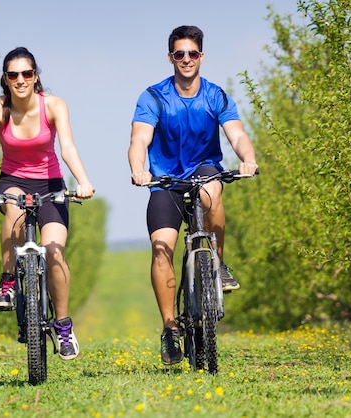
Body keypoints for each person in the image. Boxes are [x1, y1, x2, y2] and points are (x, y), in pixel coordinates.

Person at [128, 26, 258, 366]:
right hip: (165, 181)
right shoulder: (154, 97)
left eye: (193, 53)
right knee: (161, 250)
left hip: (203, 169)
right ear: (170, 57)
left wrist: (248, 159)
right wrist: (139, 169)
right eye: (179, 54)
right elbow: (139, 140)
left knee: (211, 190)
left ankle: (217, 263)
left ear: (202, 56)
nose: (186, 59)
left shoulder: (215, 96)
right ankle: (170, 328)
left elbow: (237, 134)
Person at [0, 47, 94, 361]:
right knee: (13, 211)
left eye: (26, 73)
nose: (20, 80)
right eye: (13, 74)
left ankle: (63, 325)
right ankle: (8, 280)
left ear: (36, 76)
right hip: (12, 181)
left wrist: (83, 180)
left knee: (54, 251)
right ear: (6, 79)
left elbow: (68, 147)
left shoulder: (53, 105)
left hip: (50, 184)